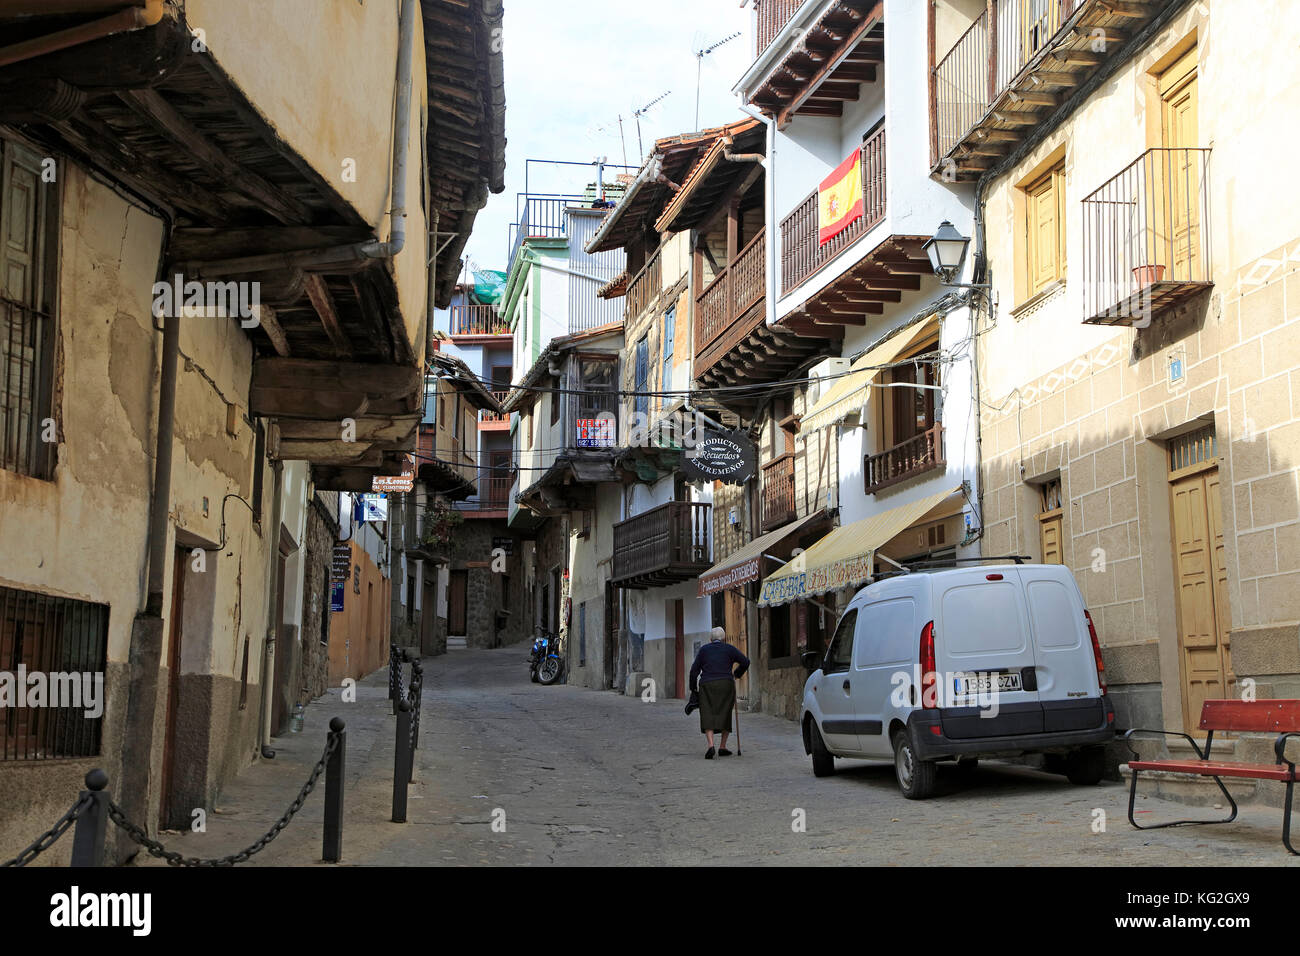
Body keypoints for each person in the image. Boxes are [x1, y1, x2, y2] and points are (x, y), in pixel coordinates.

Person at [689, 626, 749, 759]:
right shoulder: (729, 649)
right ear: (724, 639)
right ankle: (722, 746)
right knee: (725, 713)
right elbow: (745, 662)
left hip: (707, 684)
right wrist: (736, 674)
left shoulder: (704, 650)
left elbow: (694, 670)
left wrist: (693, 688)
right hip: (725, 684)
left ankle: (711, 746)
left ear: (710, 639)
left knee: (707, 713)